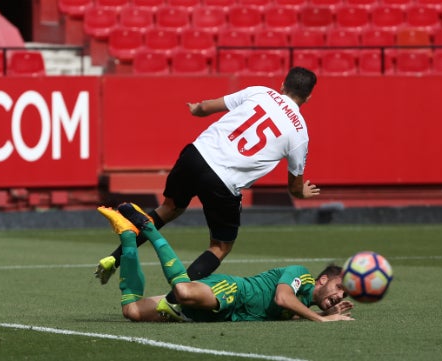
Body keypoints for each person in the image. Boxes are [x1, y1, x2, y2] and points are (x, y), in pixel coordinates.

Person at [96, 67, 320, 307]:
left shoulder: (261, 92)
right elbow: (294, 187)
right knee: (220, 246)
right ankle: (173, 302)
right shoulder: (299, 133)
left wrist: (195, 109)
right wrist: (303, 192)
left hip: (196, 155)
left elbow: (205, 108)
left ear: (283, 85)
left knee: (168, 208)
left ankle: (114, 257)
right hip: (223, 180)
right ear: (308, 97)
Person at [98, 202, 354, 323]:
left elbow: (293, 311)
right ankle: (147, 226)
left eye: (344, 293)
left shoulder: (305, 304)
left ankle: (128, 235)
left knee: (131, 311)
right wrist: (322, 319)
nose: (340, 294)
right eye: (339, 287)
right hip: (232, 292)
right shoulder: (302, 275)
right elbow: (282, 299)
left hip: (213, 315)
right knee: (183, 291)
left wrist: (322, 312)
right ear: (322, 280)